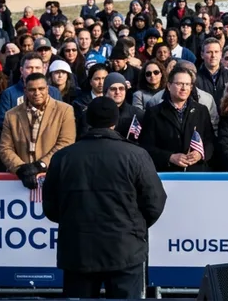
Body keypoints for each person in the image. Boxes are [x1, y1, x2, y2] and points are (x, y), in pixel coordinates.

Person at [43, 97, 167, 299]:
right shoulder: (136, 155)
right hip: (124, 248)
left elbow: (50, 206)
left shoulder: (63, 157)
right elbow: (154, 201)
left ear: (88, 121)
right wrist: (134, 228)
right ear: (115, 122)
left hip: (79, 248)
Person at [0, 73, 77, 187]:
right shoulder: (11, 115)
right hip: (19, 183)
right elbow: (5, 148)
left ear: (47, 89)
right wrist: (21, 169)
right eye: (32, 90)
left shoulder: (65, 110)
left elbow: (66, 143)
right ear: (25, 90)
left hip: (55, 178)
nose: (37, 93)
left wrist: (41, 165)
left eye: (41, 89)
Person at [138, 63, 215, 172]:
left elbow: (210, 141)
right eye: (179, 84)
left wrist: (200, 154)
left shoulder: (201, 110)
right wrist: (170, 157)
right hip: (167, 174)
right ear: (169, 86)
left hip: (196, 173)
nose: (184, 88)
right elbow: (146, 147)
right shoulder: (153, 113)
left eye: (187, 84)